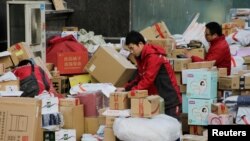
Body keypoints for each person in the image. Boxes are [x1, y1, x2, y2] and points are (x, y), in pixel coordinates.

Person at [118, 30, 182, 120]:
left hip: (170, 100)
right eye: (129, 49)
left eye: (132, 48)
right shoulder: (141, 58)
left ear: (140, 44)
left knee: (173, 130)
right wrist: (125, 88)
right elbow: (140, 77)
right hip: (158, 100)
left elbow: (148, 79)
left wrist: (132, 92)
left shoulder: (153, 56)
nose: (131, 52)